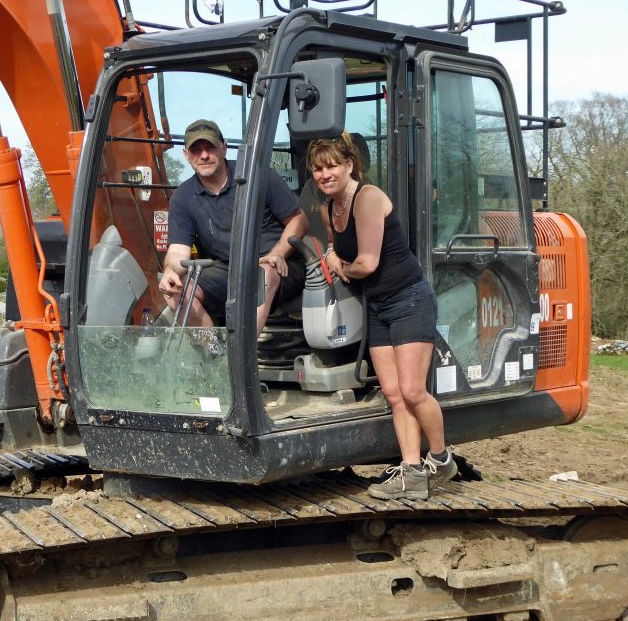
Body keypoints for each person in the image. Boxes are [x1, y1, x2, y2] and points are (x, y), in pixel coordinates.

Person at [307, 132, 456, 500]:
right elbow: (334, 246)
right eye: (317, 169)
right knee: (392, 394)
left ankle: (441, 458)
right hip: (377, 306)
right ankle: (411, 471)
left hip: (408, 300)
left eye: (331, 166)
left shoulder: (368, 198)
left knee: (412, 391)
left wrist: (341, 267)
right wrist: (330, 253)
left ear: (349, 165)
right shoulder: (329, 208)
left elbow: (367, 263)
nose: (325, 174)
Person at [159, 119, 309, 335]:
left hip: (279, 265)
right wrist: (169, 271)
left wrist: (278, 253)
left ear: (224, 147)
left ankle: (241, 359)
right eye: (196, 150)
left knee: (262, 272)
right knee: (175, 291)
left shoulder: (258, 177)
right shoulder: (182, 197)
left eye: (210, 147)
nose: (204, 156)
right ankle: (216, 357)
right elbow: (177, 251)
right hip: (226, 271)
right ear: (186, 155)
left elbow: (299, 220)